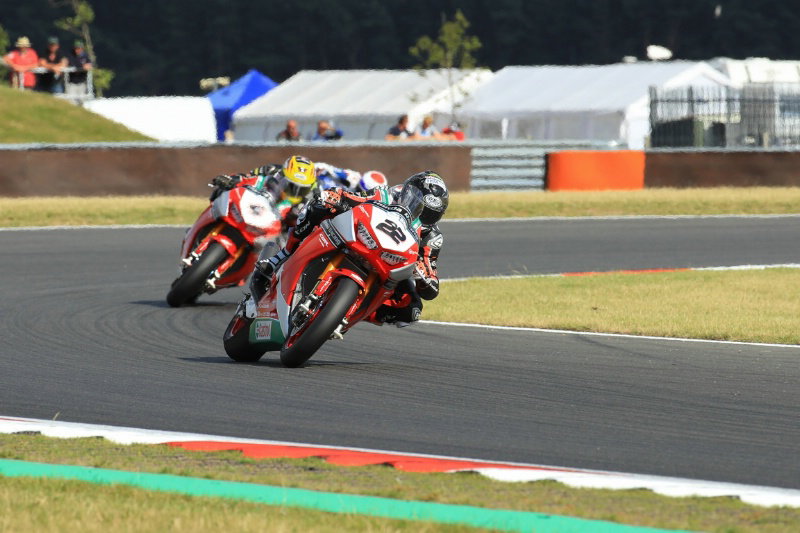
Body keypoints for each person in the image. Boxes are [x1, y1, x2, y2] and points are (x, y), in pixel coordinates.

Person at [253, 170, 449, 327]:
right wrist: (335, 198)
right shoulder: (387, 195)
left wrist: (427, 279)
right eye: (419, 206)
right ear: (407, 192)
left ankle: (349, 312)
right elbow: (353, 197)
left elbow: (429, 270)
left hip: (388, 261)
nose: (422, 216)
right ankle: (282, 255)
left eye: (430, 215)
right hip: (359, 236)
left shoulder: (432, 237)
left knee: (411, 309)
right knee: (321, 206)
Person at [209, 155, 317, 232]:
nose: (295, 192)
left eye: (302, 189)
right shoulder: (271, 170)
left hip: (272, 222)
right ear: (282, 176)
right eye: (290, 186)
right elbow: (247, 177)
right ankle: (209, 219)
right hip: (254, 201)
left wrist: (295, 221)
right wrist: (232, 179)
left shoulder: (312, 196)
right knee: (222, 190)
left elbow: (309, 222)